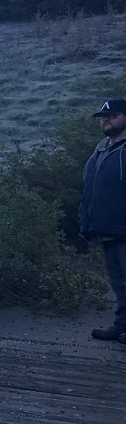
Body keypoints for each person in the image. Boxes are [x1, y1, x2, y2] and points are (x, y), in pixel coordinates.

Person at [80, 98, 126, 345]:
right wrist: (86, 221)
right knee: (119, 283)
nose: (106, 120)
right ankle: (121, 327)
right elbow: (91, 188)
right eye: (103, 117)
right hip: (107, 227)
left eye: (113, 115)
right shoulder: (101, 148)